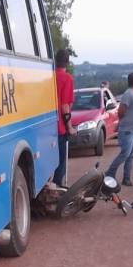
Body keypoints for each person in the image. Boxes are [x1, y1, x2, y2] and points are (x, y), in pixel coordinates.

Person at [105, 72, 133, 186]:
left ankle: (126, 178)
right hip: (128, 130)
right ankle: (109, 173)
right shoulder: (128, 94)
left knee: (130, 155)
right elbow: (121, 111)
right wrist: (123, 122)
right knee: (125, 154)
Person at [53, 50, 76, 186]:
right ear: (67, 62)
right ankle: (57, 190)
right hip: (60, 128)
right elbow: (65, 106)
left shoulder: (50, 76)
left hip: (48, 127)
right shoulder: (67, 78)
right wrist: (70, 127)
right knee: (60, 164)